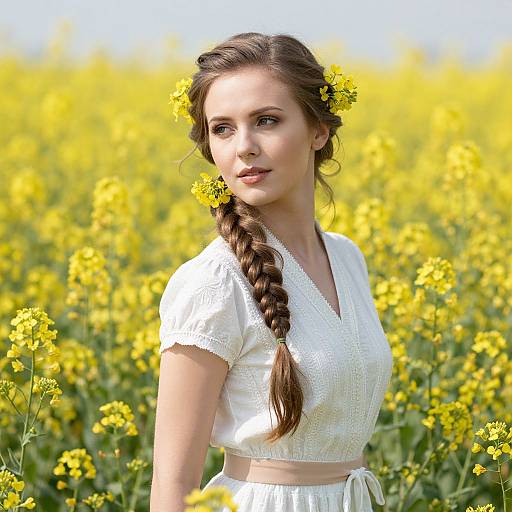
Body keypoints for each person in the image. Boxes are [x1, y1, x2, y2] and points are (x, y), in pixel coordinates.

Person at [151, 32, 393, 512]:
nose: (244, 147)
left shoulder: (348, 258)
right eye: (221, 128)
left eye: (266, 121)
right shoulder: (213, 283)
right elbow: (171, 488)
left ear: (318, 130)